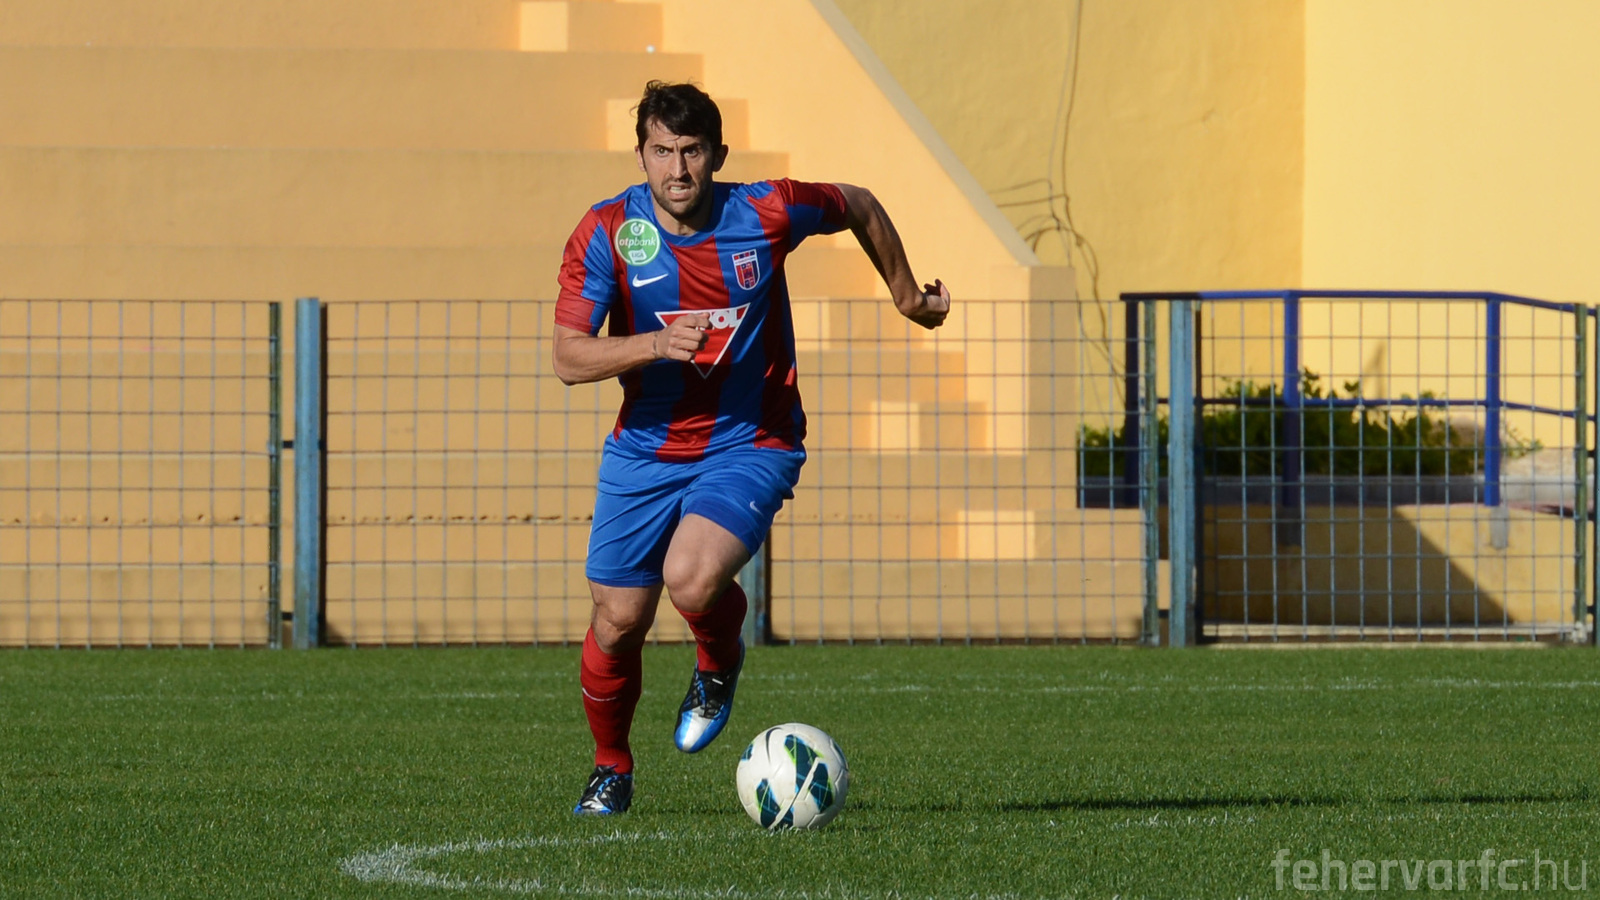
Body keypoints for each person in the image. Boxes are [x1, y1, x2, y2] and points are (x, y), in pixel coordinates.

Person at [553, 80, 950, 814]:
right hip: (644, 450)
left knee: (691, 579)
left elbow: (858, 203)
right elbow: (568, 357)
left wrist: (905, 296)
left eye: (692, 151)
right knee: (616, 620)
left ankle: (717, 661)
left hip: (752, 439)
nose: (677, 169)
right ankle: (611, 767)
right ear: (640, 155)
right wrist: (652, 345)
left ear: (718, 154)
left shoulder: (765, 211)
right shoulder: (607, 231)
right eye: (662, 152)